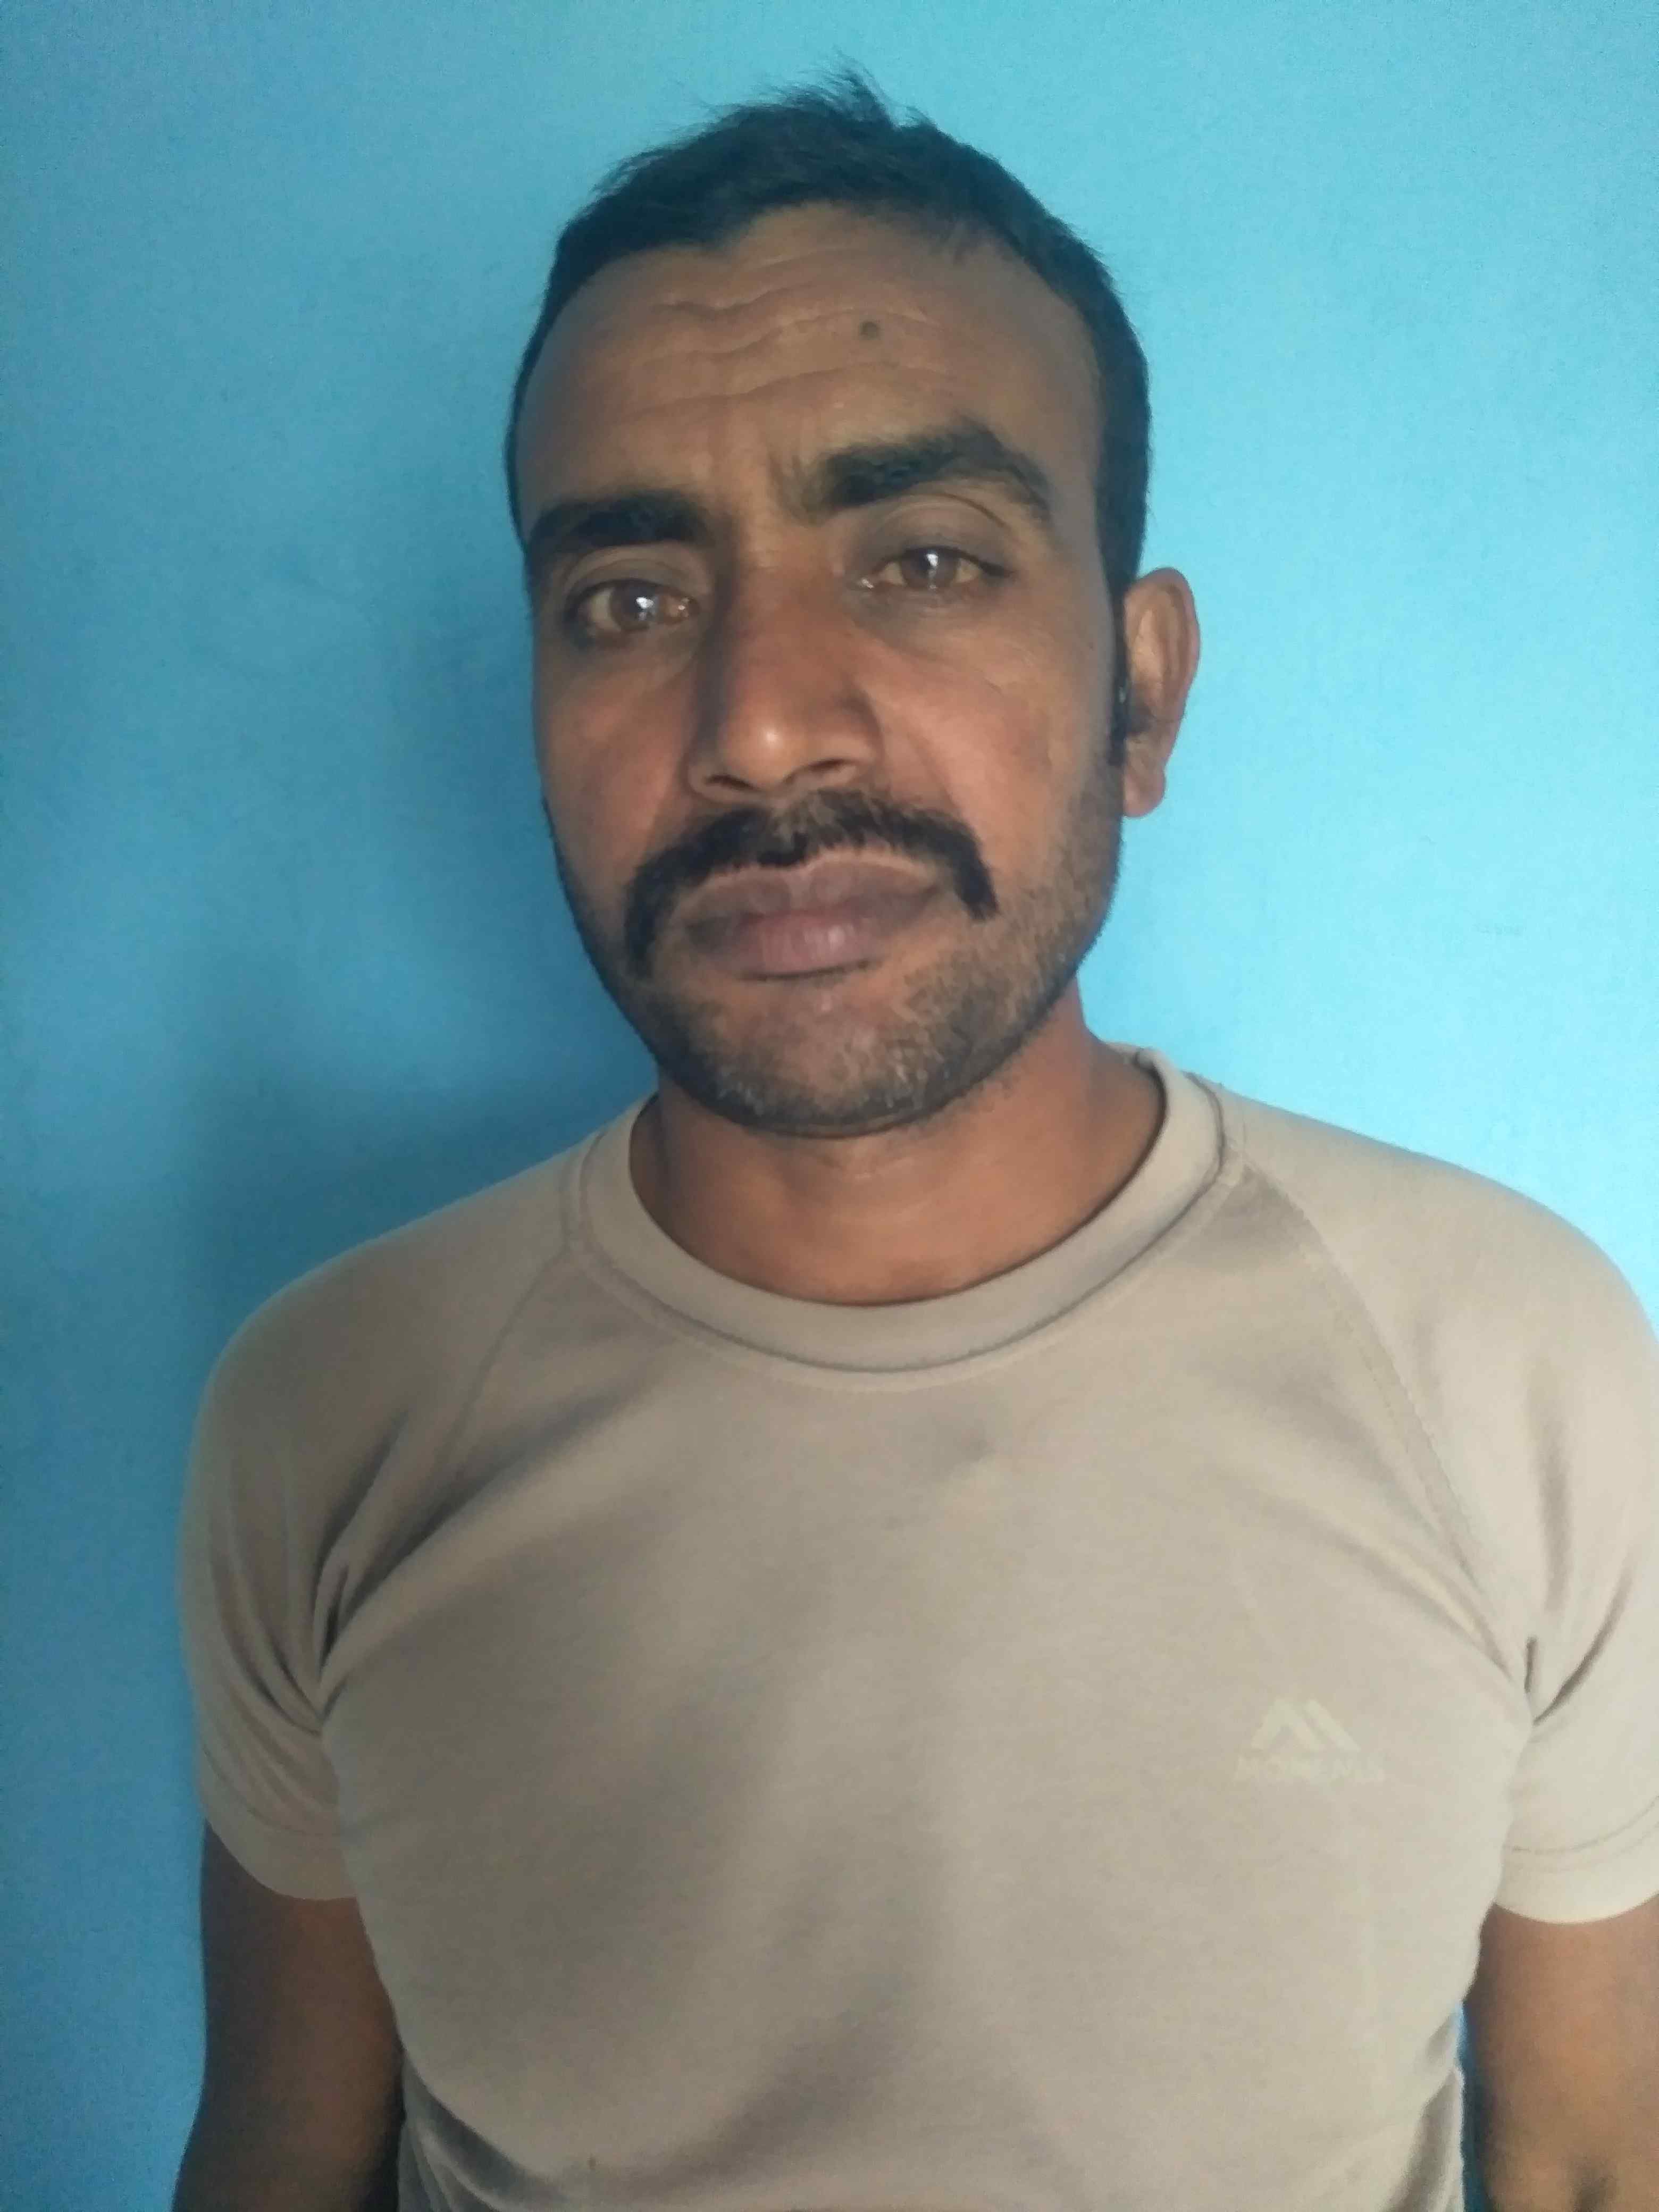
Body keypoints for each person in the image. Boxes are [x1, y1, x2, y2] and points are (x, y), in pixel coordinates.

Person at [172, 73, 1659, 2212]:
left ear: (1144, 692)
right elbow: (283, 2151)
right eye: (628, 600)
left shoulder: (1512, 1365)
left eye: (930, 560)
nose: (762, 725)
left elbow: (1599, 2153)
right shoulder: (329, 1411)